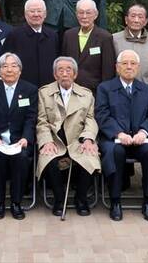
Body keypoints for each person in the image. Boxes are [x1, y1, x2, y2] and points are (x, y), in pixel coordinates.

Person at [95, 50, 148, 222]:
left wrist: (143, 132)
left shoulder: (147, 90)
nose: (129, 67)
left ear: (138, 68)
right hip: (115, 138)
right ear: (117, 67)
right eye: (125, 63)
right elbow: (102, 115)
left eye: (133, 63)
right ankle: (115, 201)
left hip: (140, 138)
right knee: (115, 152)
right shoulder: (105, 88)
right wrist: (118, 133)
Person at [36, 57, 101, 216]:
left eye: (68, 70)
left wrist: (88, 138)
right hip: (56, 141)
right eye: (60, 70)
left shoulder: (86, 94)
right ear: (54, 74)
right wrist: (46, 142)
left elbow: (90, 119)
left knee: (90, 156)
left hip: (77, 140)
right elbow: (42, 121)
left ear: (75, 74)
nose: (64, 73)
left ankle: (81, 199)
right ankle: (59, 200)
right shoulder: (44, 93)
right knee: (48, 157)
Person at [0, 53, 38, 220]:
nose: (9, 70)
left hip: (19, 140)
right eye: (5, 66)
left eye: (14, 66)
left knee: (21, 159)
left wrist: (25, 138)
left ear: (20, 70)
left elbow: (31, 118)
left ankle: (16, 203)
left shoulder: (29, 90)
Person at [60, 0, 115, 93]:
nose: (84, 16)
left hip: (93, 92)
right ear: (76, 14)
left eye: (88, 13)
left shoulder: (105, 37)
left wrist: (104, 94)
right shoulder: (69, 35)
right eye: (81, 12)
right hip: (69, 90)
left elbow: (108, 71)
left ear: (96, 15)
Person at [3, 0, 59, 88]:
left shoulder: (53, 36)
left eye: (39, 11)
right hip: (23, 89)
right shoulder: (14, 35)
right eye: (32, 11)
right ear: (25, 14)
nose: (36, 14)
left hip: (49, 89)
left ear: (45, 14)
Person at [112, 4, 148, 91]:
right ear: (126, 20)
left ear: (146, 21)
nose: (136, 20)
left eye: (140, 17)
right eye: (133, 16)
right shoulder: (114, 39)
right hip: (120, 93)